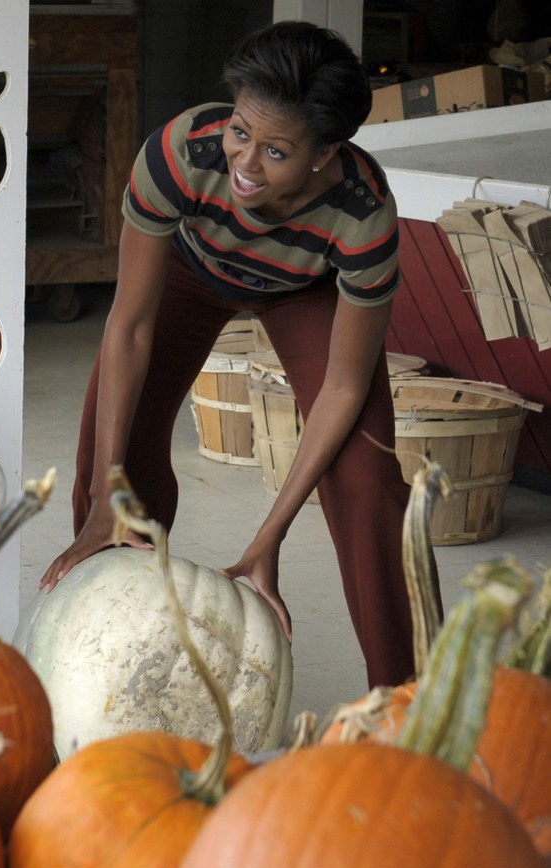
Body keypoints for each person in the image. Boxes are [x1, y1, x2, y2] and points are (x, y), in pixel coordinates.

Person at [39, 19, 441, 690]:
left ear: (326, 152)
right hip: (189, 274)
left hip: (304, 291)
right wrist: (108, 494)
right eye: (240, 133)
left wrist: (268, 537)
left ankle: (402, 699)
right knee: (115, 466)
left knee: (367, 480)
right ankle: (108, 674)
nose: (246, 165)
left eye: (276, 151)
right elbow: (130, 325)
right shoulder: (179, 153)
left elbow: (343, 389)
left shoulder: (362, 213)